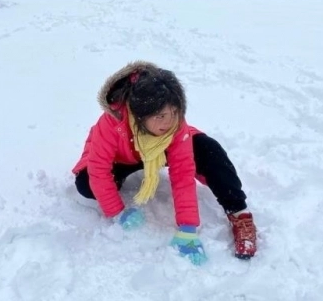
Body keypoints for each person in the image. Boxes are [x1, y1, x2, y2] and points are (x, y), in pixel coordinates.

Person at [71, 61, 257, 264]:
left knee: (209, 149)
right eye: (160, 116)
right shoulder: (111, 123)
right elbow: (98, 169)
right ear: (140, 115)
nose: (168, 122)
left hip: (161, 150)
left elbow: (183, 174)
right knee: (87, 183)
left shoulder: (174, 128)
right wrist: (117, 212)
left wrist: (187, 229)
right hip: (122, 156)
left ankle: (239, 213)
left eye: (174, 113)